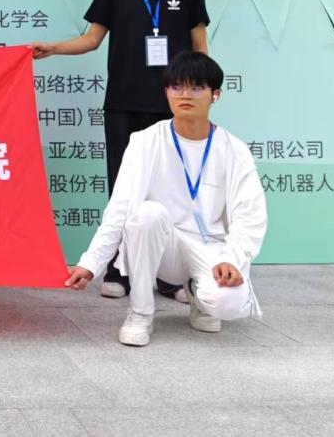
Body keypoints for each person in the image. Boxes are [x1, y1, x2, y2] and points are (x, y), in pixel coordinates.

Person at [31, 0, 209, 301]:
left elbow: (200, 51)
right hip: (123, 104)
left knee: (173, 190)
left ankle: (170, 275)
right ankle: (119, 269)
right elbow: (91, 40)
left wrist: (201, 97)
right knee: (123, 188)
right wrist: (53, 48)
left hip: (174, 107)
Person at [66, 52, 266, 347]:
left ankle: (200, 296)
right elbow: (120, 208)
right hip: (164, 246)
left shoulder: (234, 149)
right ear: (166, 92)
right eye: (176, 87)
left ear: (215, 95)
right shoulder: (145, 141)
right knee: (146, 214)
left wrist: (232, 259)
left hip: (211, 248)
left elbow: (250, 214)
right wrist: (91, 262)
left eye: (196, 87)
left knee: (229, 303)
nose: (185, 95)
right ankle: (140, 312)